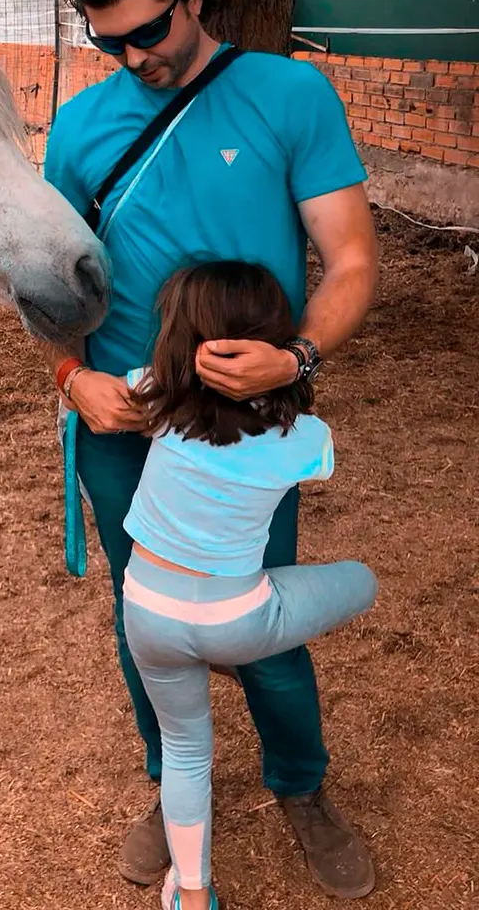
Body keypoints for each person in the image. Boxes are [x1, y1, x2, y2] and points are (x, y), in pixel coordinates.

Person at [43, 0, 378, 898]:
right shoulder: (79, 126)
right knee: (139, 607)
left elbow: (351, 261)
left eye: (149, 30)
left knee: (257, 608)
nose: (131, 57)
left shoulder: (289, 94)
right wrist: (70, 378)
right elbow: (48, 286)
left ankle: (300, 784)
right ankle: (171, 778)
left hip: (243, 420)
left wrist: (295, 358)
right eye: (107, 41)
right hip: (122, 418)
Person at [119, 260, 377, 909]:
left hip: (147, 614)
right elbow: (320, 459)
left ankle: (193, 893)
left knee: (186, 751)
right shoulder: (301, 437)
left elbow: (125, 391)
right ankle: (228, 656)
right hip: (238, 620)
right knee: (361, 581)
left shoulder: (156, 396)